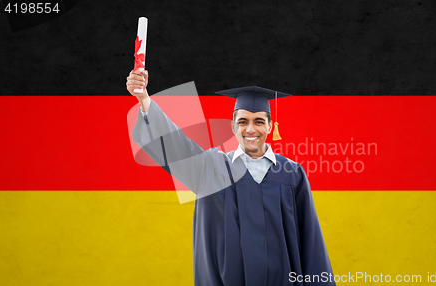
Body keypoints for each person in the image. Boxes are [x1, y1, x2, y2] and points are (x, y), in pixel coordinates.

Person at [126, 69, 336, 286]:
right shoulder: (211, 168)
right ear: (233, 126)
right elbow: (176, 146)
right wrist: (144, 99)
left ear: (270, 126)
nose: (250, 129)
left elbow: (311, 241)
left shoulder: (292, 174)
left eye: (259, 122)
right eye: (243, 121)